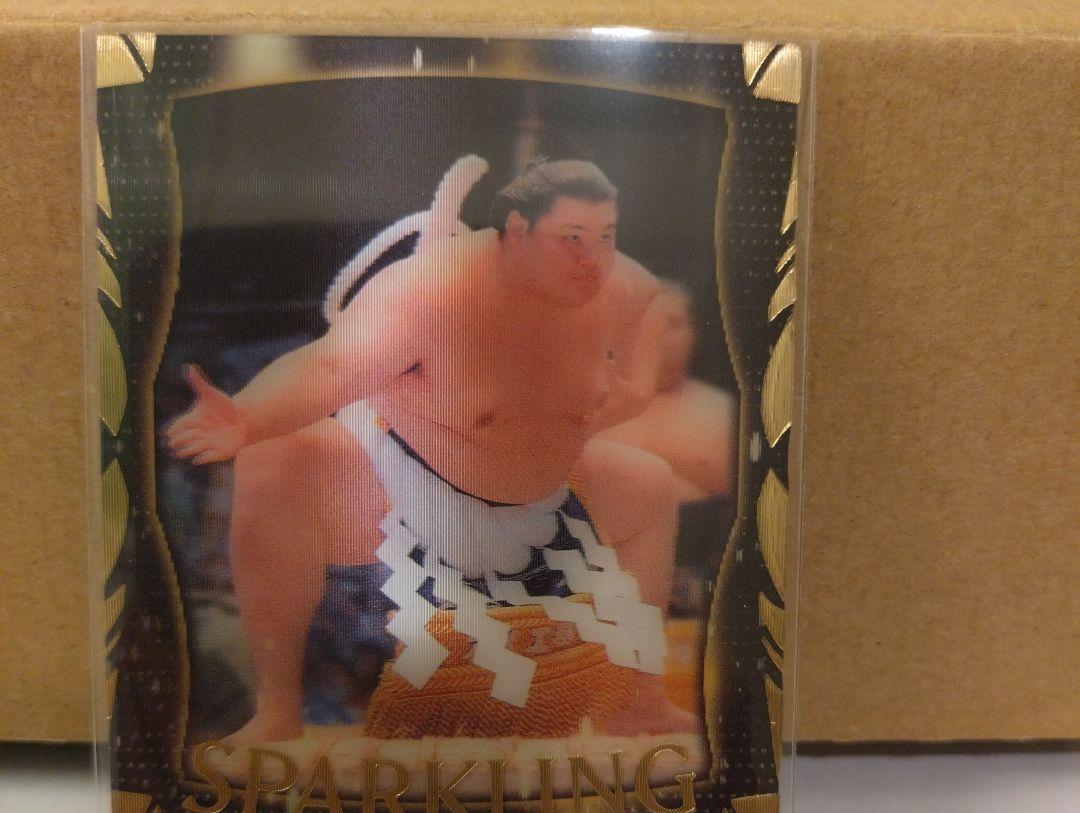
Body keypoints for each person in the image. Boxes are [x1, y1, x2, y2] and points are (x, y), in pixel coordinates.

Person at [168, 159, 695, 743]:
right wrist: (248, 416)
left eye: (604, 236)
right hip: (408, 484)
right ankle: (277, 709)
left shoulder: (623, 288)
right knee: (273, 457)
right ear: (517, 231)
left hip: (550, 497)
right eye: (571, 239)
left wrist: (596, 403)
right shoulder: (428, 289)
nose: (590, 258)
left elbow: (645, 338)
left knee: (647, 481)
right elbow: (333, 367)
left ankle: (637, 702)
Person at [600, 281, 734, 503]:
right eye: (648, 321)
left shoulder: (726, 411)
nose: (660, 334)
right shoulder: (590, 407)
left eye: (672, 323)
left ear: (692, 334)